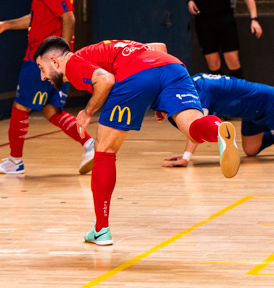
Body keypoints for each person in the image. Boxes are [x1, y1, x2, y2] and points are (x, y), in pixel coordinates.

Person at [33, 37, 240, 245]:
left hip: (136, 75)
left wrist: (88, 112)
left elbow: (105, 80)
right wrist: (157, 99)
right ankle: (218, 130)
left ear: (55, 61)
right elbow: (160, 47)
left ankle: (101, 229)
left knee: (103, 150)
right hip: (173, 68)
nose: (43, 77)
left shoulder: (74, 63)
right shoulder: (101, 49)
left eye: (42, 68)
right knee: (193, 128)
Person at [0, 0, 95, 176]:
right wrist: (6, 24)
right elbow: (38, 18)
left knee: (20, 107)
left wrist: (63, 56)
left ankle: (15, 162)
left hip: (43, 59)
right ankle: (89, 144)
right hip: (53, 60)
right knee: (51, 111)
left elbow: (69, 19)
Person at [160, 73, 274, 167]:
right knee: (250, 151)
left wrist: (186, 157)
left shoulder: (201, 90)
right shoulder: (192, 82)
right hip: (250, 112)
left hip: (270, 102)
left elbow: (197, 126)